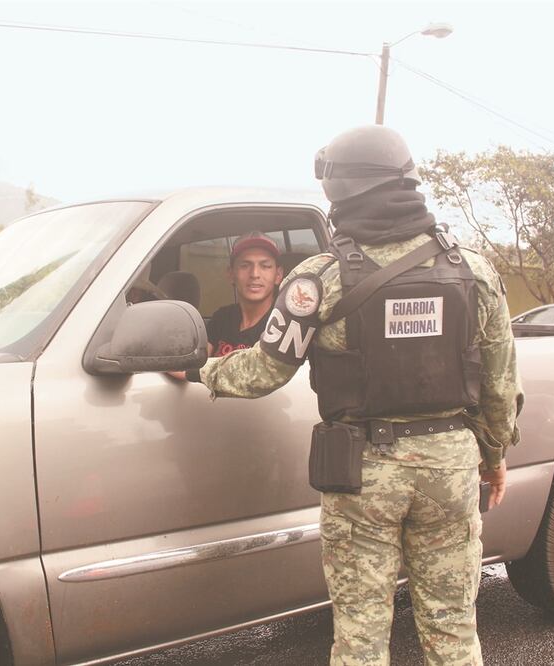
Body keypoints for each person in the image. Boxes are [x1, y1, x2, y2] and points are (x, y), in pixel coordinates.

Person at [181, 126, 522, 665]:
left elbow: (263, 372)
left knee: (360, 635)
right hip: (451, 469)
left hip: (361, 472)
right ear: (407, 180)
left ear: (337, 190)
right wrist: (495, 457)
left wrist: (200, 369)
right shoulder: (472, 270)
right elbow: (501, 386)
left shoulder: (318, 279)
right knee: (453, 628)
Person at [204, 231, 284, 357]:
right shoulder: (222, 318)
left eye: (265, 266)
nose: (255, 274)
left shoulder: (284, 325)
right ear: (231, 274)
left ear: (278, 275)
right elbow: (197, 362)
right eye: (245, 266)